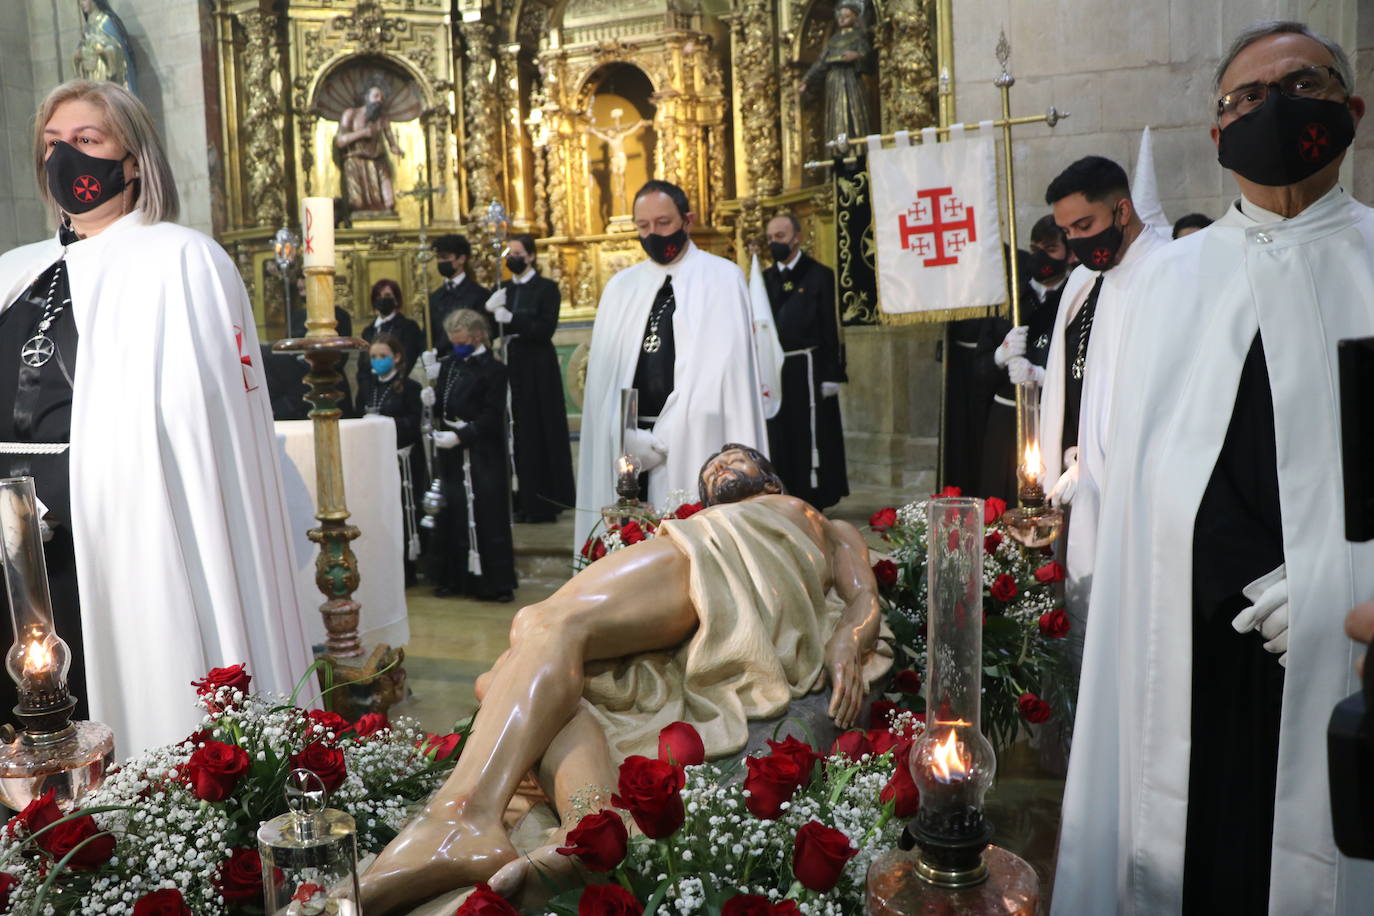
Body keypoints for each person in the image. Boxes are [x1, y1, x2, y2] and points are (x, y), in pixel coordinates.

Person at [1053, 21, 1374, 915]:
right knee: (1211, 857)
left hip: (1354, 642)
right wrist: (1239, 569)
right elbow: (1148, 465)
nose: (1272, 109)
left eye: (1302, 85)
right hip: (1205, 638)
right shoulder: (1170, 280)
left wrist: (1333, 579)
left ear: (1350, 109)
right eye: (1244, 98)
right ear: (1216, 132)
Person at [359, 443, 886, 914]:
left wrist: (849, 637)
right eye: (713, 470)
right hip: (705, 557)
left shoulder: (817, 521)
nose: (723, 466)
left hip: (739, 566)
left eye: (736, 458)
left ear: (771, 482)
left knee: (539, 627)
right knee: (506, 672)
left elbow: (863, 595)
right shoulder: (711, 519)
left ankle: (460, 818)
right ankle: (586, 830)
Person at [0, 80, 309, 753]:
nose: (66, 159)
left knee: (99, 706)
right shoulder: (15, 271)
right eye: (54, 144)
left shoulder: (179, 260)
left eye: (87, 141)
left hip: (113, 534)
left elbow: (195, 423)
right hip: (13, 540)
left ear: (133, 160)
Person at [575, 179, 767, 550]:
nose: (653, 234)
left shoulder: (722, 278)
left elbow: (721, 374)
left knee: (691, 545)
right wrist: (626, 435)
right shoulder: (621, 288)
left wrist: (663, 439)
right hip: (629, 446)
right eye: (643, 226)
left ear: (687, 220)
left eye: (663, 223)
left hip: (695, 437)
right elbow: (606, 380)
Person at [1036, 155, 1169, 634]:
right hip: (1074, 476)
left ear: (1123, 211)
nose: (1075, 240)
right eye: (1066, 230)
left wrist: (1095, 460)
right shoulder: (1082, 278)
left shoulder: (1166, 272)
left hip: (1128, 481)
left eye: (1084, 224)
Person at [978, 220, 1072, 501]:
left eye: (1051, 249)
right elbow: (978, 370)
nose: (1041, 257)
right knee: (1002, 498)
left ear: (1068, 252)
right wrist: (1000, 355)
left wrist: (1042, 374)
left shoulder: (1078, 296)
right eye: (1035, 249)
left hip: (1053, 418)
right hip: (1006, 420)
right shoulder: (1010, 297)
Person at [484, 234, 575, 523]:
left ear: (532, 256)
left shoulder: (546, 288)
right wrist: (489, 313)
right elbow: (492, 328)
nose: (512, 258)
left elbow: (544, 327)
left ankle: (545, 501)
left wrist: (512, 319)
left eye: (518, 252)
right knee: (518, 433)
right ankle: (520, 500)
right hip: (511, 363)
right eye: (509, 253)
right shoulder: (504, 288)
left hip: (538, 366)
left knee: (539, 429)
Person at [428, 309, 516, 602]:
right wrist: (430, 400)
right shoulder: (450, 365)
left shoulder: (494, 369)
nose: (456, 345)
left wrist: (462, 435)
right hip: (452, 455)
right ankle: (454, 579)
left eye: (461, 340)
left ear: (477, 336)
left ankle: (494, 583)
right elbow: (442, 404)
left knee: (486, 513)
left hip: (483, 453)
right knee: (453, 512)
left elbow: (492, 415)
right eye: (452, 340)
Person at [762, 214, 848, 509]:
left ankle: (814, 497)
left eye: (781, 237)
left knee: (811, 433)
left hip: (809, 369)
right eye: (771, 238)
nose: (775, 243)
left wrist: (832, 373)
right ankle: (782, 494)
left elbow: (828, 326)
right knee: (781, 433)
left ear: (796, 237)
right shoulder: (764, 280)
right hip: (776, 370)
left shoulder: (818, 274)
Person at [357, 333, 424, 586]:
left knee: (403, 514)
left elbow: (414, 424)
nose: (377, 361)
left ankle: (407, 571)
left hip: (403, 460)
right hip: (376, 460)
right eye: (373, 357)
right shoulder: (368, 387)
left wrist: (387, 424)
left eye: (382, 356)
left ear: (396, 357)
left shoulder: (410, 387)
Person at [796, 0, 872, 144]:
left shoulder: (859, 36)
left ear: (855, 17)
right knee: (837, 116)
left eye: (846, 16)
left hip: (850, 80)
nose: (842, 19)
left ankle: (857, 150)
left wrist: (856, 56)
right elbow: (820, 62)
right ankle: (838, 150)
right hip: (834, 82)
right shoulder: (833, 40)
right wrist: (807, 80)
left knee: (852, 115)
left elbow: (869, 57)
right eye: (840, 16)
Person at [334, 80, 403, 213]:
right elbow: (340, 141)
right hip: (355, 161)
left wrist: (396, 149)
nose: (379, 101)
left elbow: (391, 142)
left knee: (389, 202)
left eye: (382, 98)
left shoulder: (382, 119)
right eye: (376, 96)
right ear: (366, 97)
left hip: (378, 161)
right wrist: (362, 133)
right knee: (357, 204)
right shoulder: (351, 114)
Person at [428, 234, 489, 356]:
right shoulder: (434, 297)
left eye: (445, 257)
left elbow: (483, 334)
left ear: (461, 259)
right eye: (438, 257)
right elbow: (429, 334)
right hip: (441, 363)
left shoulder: (480, 294)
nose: (440, 262)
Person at [360, 278, 423, 382]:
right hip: (372, 388)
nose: (382, 299)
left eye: (387, 296)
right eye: (378, 297)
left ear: (396, 299)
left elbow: (408, 360)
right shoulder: (368, 331)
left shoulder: (409, 327)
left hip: (398, 386)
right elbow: (363, 367)